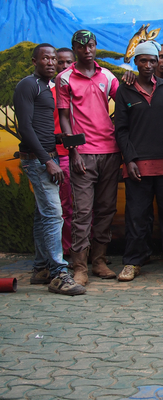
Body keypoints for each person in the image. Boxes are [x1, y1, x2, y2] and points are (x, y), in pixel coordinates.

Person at [14, 44, 85, 295]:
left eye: (54, 58)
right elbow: (25, 128)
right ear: (34, 61)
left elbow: (41, 129)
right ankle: (58, 274)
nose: (51, 62)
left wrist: (63, 140)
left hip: (46, 154)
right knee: (55, 214)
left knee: (41, 214)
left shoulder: (48, 87)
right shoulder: (28, 85)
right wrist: (48, 161)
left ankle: (41, 268)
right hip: (38, 160)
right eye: (45, 58)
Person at [114, 41, 163, 281]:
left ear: (157, 64)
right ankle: (133, 262)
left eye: (152, 61)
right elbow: (121, 129)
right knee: (136, 214)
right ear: (135, 62)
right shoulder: (125, 90)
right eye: (143, 60)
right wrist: (129, 159)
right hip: (138, 165)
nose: (148, 65)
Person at [57, 30, 122, 285]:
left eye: (91, 45)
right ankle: (79, 266)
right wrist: (72, 151)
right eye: (82, 46)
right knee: (83, 212)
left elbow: (126, 101)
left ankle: (99, 261)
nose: (87, 50)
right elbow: (64, 116)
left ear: (95, 47)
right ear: (75, 48)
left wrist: (128, 78)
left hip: (110, 151)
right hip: (83, 154)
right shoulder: (65, 79)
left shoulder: (107, 76)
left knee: (106, 210)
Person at [53, 47, 76, 255]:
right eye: (60, 62)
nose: (64, 66)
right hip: (60, 154)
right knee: (65, 205)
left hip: (82, 153)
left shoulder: (77, 87)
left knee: (86, 206)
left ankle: (86, 248)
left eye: (68, 62)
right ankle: (66, 250)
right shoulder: (47, 92)